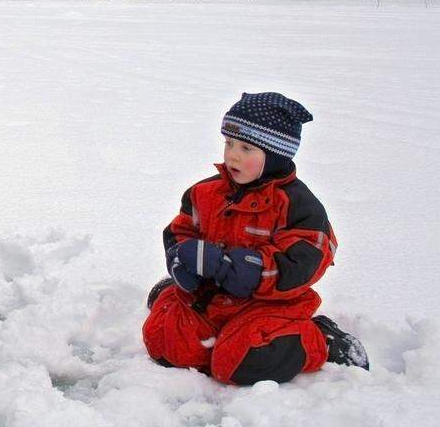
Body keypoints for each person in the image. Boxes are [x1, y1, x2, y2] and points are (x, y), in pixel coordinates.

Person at [142, 92, 369, 385]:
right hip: (214, 298)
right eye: (229, 143)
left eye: (246, 148)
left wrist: (249, 270)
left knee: (240, 363)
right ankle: (171, 291)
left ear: (275, 155)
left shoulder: (298, 206)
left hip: (270, 305)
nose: (232, 154)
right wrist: (181, 258)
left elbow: (306, 260)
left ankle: (319, 340)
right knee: (164, 343)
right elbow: (180, 230)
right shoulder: (205, 193)